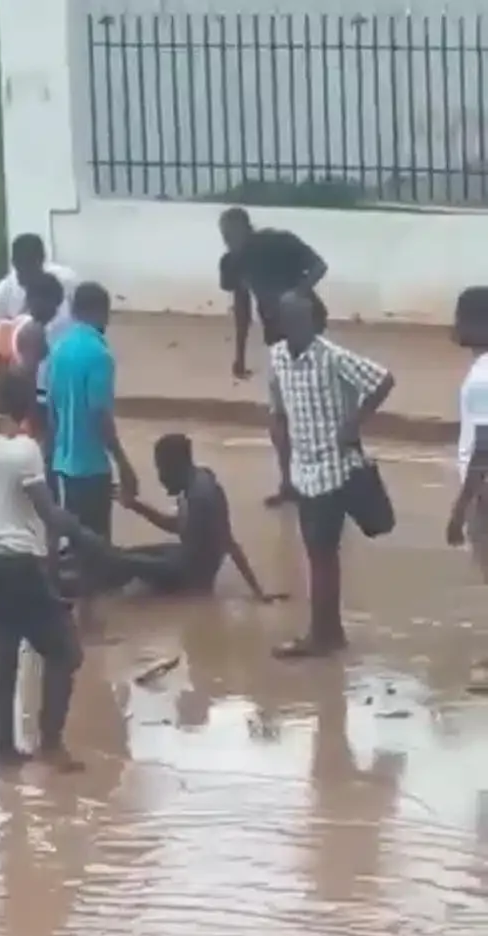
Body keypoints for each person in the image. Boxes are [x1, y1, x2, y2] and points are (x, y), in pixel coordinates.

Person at [0, 369, 109, 772]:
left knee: (1, 656)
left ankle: (5, 751)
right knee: (65, 652)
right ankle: (50, 744)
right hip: (19, 565)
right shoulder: (24, 449)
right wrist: (87, 538)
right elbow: (48, 513)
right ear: (29, 404)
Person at [269, 290, 394, 659]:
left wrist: (353, 423)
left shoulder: (333, 357)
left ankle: (322, 634)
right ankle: (328, 631)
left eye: (303, 319)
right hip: (303, 470)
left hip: (335, 469)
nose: (296, 325)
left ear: (313, 321)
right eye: (289, 318)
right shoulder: (276, 358)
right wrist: (285, 467)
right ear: (280, 321)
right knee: (320, 554)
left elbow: (383, 380)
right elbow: (278, 411)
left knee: (321, 554)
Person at [219, 206, 328, 508]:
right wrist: (239, 355)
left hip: (309, 331)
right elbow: (241, 307)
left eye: (231, 235)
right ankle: (288, 482)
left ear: (245, 229)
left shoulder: (279, 243)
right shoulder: (233, 262)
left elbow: (319, 266)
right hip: (276, 340)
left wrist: (298, 293)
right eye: (224, 237)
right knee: (279, 413)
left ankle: (323, 481)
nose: (228, 242)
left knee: (313, 408)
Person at [117, 433, 272, 599]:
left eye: (161, 469)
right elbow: (178, 526)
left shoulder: (202, 496)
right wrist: (136, 506)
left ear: (174, 466)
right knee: (124, 555)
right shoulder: (193, 485)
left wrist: (258, 592)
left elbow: (229, 542)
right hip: (185, 557)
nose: (160, 478)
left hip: (191, 575)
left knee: (123, 562)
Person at [47, 281, 138, 544]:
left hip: (63, 463)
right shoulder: (100, 355)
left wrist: (54, 453)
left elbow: (52, 409)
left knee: (76, 539)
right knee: (97, 545)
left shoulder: (58, 349)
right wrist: (123, 464)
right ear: (102, 311)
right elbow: (101, 417)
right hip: (92, 467)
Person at [446, 287, 488, 689]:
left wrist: (459, 512)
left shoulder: (480, 379)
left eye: (460, 318)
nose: (454, 326)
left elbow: (483, 451)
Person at [0, 271, 64, 444]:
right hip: (26, 410)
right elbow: (29, 380)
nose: (52, 310)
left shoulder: (18, 322)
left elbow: (1, 367)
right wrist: (33, 422)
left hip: (9, 407)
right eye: (51, 304)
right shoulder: (35, 332)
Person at [0, 233, 76, 349]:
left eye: (33, 266)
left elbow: (82, 323)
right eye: (23, 266)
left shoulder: (66, 281)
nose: (29, 272)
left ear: (43, 260)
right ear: (14, 263)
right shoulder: (2, 294)